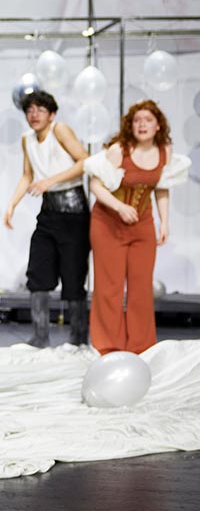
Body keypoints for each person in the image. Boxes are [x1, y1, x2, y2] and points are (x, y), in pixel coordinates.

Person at [84, 100, 189, 355]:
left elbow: (161, 188)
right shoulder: (120, 150)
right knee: (109, 287)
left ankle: (141, 346)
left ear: (158, 126)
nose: (142, 125)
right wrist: (119, 207)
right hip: (108, 223)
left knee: (141, 288)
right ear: (130, 125)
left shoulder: (164, 151)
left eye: (148, 120)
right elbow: (95, 185)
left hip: (141, 224)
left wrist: (164, 222)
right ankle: (109, 346)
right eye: (137, 120)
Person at [1, 90, 89, 347]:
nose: (34, 115)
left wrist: (50, 181)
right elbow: (27, 175)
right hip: (49, 212)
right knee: (38, 272)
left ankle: (78, 338)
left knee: (73, 276)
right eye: (29, 110)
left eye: (40, 110)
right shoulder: (26, 139)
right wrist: (12, 204)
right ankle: (40, 337)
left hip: (73, 212)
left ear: (51, 114)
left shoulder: (60, 130)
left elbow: (84, 161)